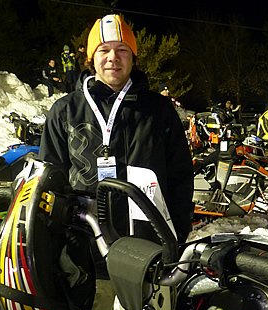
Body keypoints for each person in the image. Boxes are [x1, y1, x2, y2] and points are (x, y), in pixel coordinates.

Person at [38, 14, 193, 252]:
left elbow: (180, 175)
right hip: (83, 247)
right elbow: (50, 179)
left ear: (133, 58)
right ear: (91, 58)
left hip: (148, 245)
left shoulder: (157, 109)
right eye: (104, 50)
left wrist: (178, 231)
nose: (113, 58)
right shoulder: (65, 110)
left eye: (122, 49)